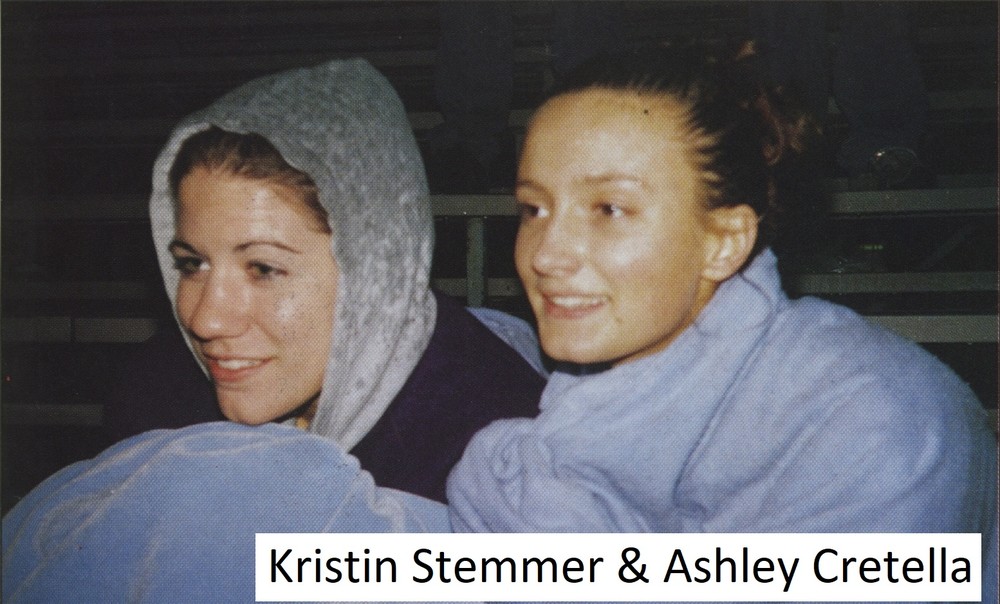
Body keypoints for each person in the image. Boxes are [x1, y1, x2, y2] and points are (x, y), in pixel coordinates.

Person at [4, 48, 996, 603]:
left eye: (607, 208)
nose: (546, 253)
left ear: (723, 238)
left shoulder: (877, 416)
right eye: (532, 208)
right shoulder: (534, 441)